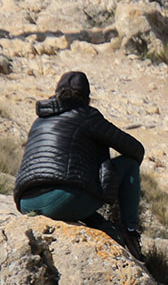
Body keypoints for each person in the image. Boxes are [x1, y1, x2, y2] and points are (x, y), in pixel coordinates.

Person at [13, 71, 145, 261]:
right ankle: (130, 231)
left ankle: (102, 225)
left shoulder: (39, 120)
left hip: (25, 202)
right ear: (87, 97)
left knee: (73, 185)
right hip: (61, 201)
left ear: (57, 93)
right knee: (129, 165)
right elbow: (135, 150)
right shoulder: (87, 116)